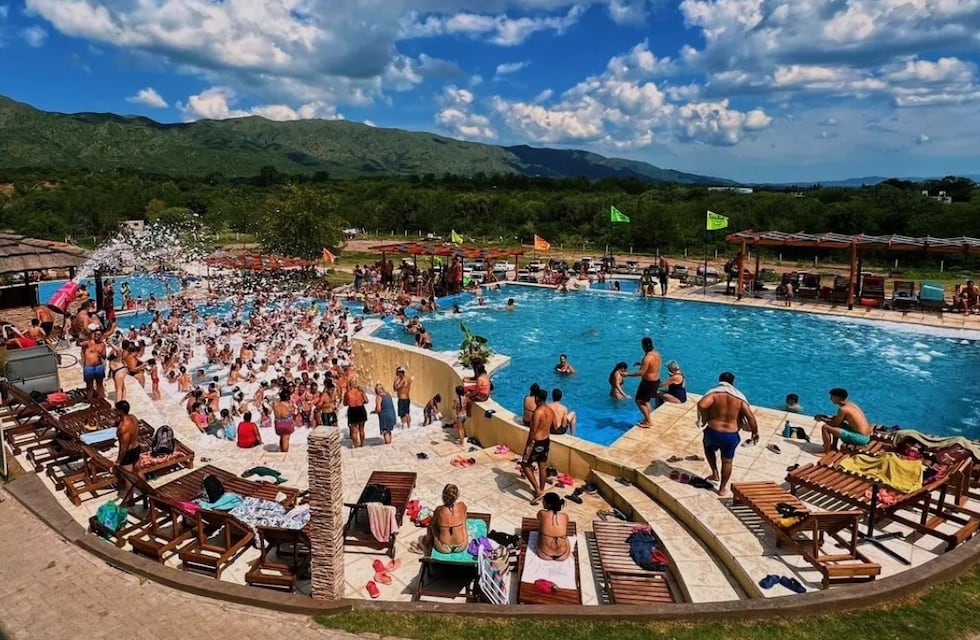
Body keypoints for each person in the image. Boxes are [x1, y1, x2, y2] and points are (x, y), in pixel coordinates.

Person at [697, 372, 758, 498]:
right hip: (730, 435)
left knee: (708, 448)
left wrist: (706, 416)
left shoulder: (714, 394)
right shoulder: (739, 398)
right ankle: (722, 488)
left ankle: (714, 473)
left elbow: (702, 404)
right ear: (732, 383)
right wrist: (754, 432)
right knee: (727, 461)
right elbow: (750, 416)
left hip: (713, 431)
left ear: (719, 380)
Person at [521, 387, 555, 504]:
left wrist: (528, 445)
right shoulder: (550, 411)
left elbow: (533, 431)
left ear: (537, 399)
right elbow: (554, 426)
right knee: (542, 466)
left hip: (536, 442)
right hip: (546, 440)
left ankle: (537, 490)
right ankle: (541, 488)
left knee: (525, 464)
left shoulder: (537, 412)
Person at [815, 387, 872, 452]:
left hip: (860, 439)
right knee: (837, 423)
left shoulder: (843, 409)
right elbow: (836, 420)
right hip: (867, 436)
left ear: (837, 398)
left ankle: (826, 451)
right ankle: (833, 447)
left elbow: (835, 423)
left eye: (832, 397)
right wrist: (826, 417)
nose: (830, 399)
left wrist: (822, 419)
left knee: (825, 427)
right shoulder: (852, 404)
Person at [625, 337, 662, 428]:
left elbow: (641, 373)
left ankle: (648, 421)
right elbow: (652, 366)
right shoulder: (657, 354)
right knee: (646, 401)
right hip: (656, 381)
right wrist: (641, 364)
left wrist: (627, 374)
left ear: (643, 346)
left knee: (639, 401)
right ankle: (647, 418)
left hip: (648, 383)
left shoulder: (647, 358)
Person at [422, 484, 469, 554]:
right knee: (464, 517)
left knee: (432, 524)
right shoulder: (462, 505)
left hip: (443, 548)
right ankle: (465, 537)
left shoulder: (439, 510)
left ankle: (427, 542)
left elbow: (434, 524)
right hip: (461, 546)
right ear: (457, 495)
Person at [115, 400, 140, 498]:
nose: (115, 411)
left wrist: (119, 460)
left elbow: (124, 447)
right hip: (137, 447)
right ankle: (146, 491)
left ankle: (130, 500)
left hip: (129, 452)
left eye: (116, 410)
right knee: (138, 471)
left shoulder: (123, 428)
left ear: (121, 411)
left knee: (128, 477)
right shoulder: (133, 417)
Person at [536, 492, 570, 561]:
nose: (542, 503)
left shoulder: (541, 513)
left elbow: (539, 519)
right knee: (565, 537)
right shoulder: (565, 516)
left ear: (548, 504)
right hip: (563, 554)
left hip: (544, 554)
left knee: (540, 529)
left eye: (543, 501)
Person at [79, 328, 107, 401]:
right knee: (89, 385)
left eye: (98, 335)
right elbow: (78, 344)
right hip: (89, 367)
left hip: (99, 366)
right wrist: (80, 336)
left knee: (100, 384)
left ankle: (101, 399)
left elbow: (104, 356)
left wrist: (100, 353)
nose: (96, 336)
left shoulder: (102, 345)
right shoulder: (88, 343)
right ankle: (89, 399)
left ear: (101, 336)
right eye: (95, 334)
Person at [344, 383, 369, 448]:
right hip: (361, 409)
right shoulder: (360, 392)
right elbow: (366, 401)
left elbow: (345, 403)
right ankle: (362, 444)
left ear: (350, 385)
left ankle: (356, 446)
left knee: (354, 431)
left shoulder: (347, 393)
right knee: (361, 429)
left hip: (352, 410)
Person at [273, 388, 295, 452]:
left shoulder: (275, 404)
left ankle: (281, 451)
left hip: (278, 424)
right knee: (286, 438)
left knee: (281, 437)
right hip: (287, 424)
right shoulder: (289, 404)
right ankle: (284, 453)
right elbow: (294, 411)